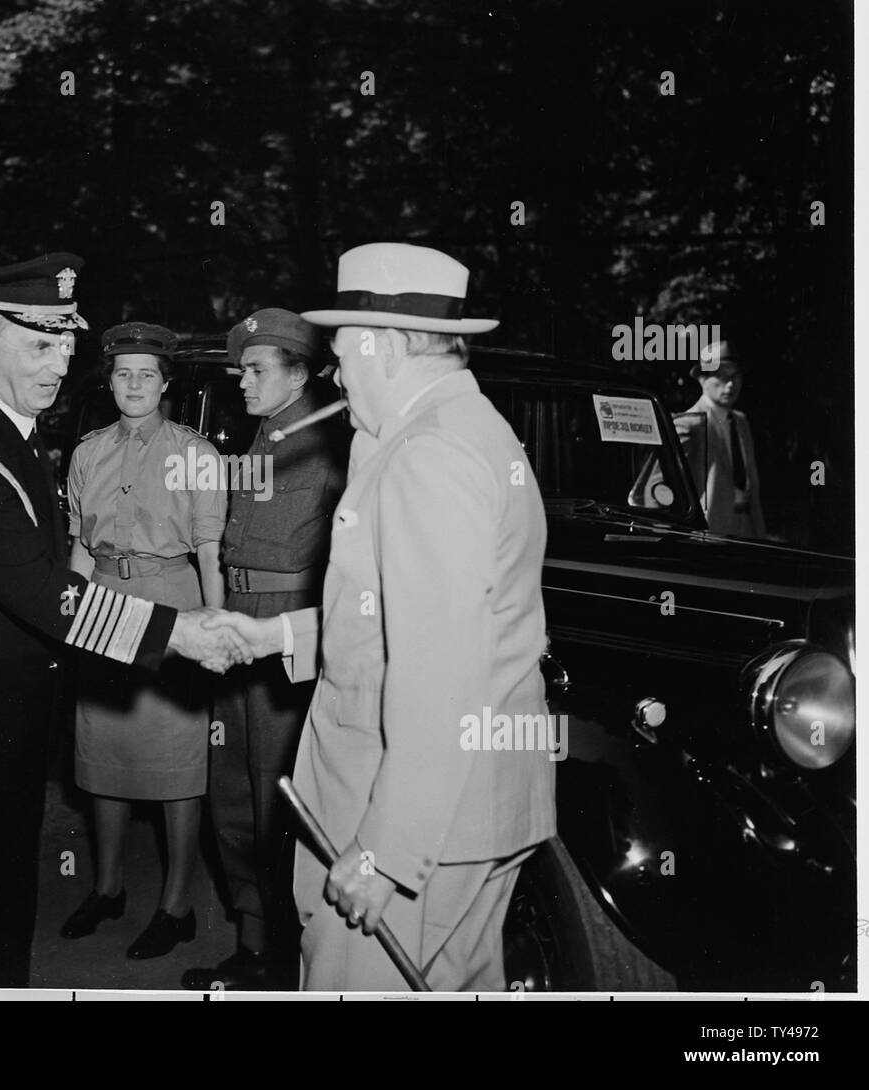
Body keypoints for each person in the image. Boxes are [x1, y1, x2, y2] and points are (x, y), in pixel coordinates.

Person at [0, 254, 246, 988]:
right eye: (40, 344)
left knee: (0, 925)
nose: (61, 362)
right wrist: (182, 631)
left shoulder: (10, 428)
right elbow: (51, 594)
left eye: (66, 343)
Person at [209, 243, 557, 991]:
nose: (335, 372)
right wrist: (280, 635)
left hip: (408, 823)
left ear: (391, 346)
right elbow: (417, 626)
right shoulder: (465, 430)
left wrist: (387, 855)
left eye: (342, 352)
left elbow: (440, 675)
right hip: (468, 811)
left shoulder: (427, 455)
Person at [181, 309, 346, 991]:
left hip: (288, 626)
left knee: (282, 792)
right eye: (240, 370)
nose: (241, 382)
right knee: (235, 792)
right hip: (242, 617)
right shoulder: (263, 436)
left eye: (256, 370)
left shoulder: (332, 443)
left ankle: (289, 956)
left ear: (299, 372)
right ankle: (253, 944)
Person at [59, 323, 227, 959]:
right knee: (103, 752)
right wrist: (64, 617)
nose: (134, 384)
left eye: (146, 375)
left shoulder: (198, 453)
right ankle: (106, 888)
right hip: (102, 601)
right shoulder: (87, 452)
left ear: (165, 383)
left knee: (176, 760)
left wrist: (214, 633)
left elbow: (209, 553)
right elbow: (79, 544)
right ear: (109, 381)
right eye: (123, 373)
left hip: (173, 603)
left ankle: (177, 904)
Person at [674, 340, 766, 537]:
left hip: (748, 531)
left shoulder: (740, 421)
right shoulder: (689, 423)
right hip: (710, 534)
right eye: (721, 376)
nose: (731, 384)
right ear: (702, 379)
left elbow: (751, 486)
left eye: (735, 376)